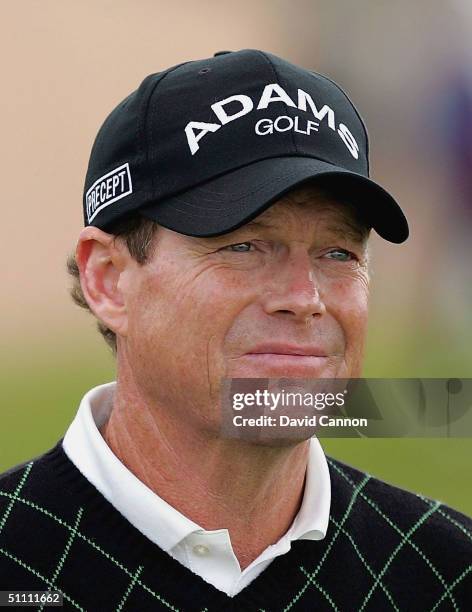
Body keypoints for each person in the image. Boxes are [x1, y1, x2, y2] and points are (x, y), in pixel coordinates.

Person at [0, 49, 470, 611]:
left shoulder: (446, 572)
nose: (304, 298)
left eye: (338, 252)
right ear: (109, 281)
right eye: (243, 246)